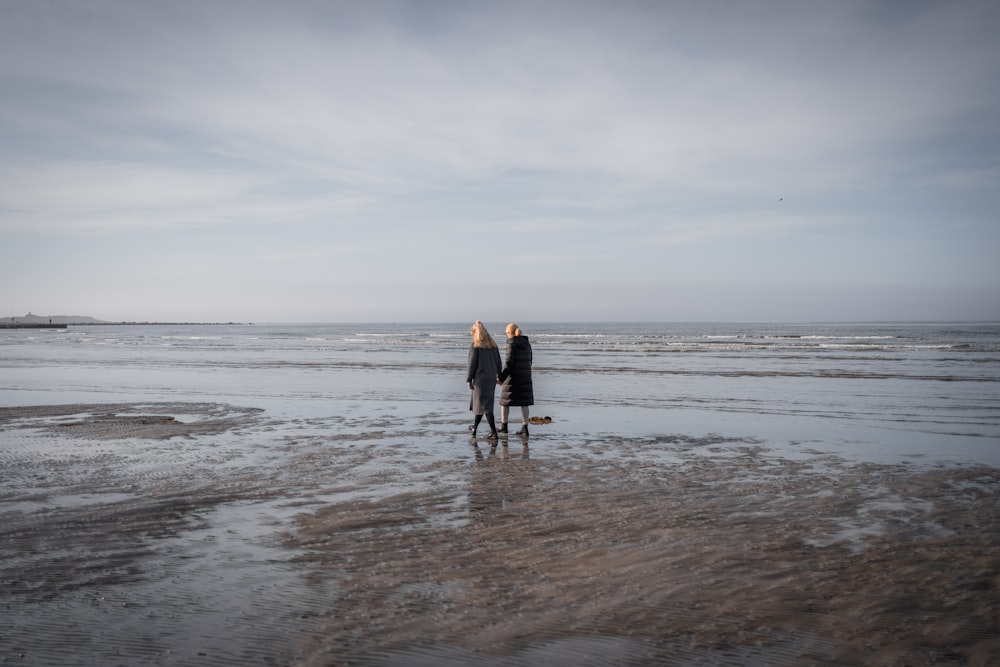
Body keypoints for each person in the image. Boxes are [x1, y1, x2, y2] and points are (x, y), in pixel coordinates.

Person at [466, 320, 502, 440]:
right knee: (484, 405)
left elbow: (471, 364)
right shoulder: (493, 345)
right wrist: (498, 375)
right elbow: (499, 363)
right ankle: (474, 428)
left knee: (483, 406)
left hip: (480, 379)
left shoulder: (475, 346)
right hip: (491, 379)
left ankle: (493, 432)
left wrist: (469, 379)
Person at [498, 322, 534, 436]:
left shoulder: (511, 343)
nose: (506, 335)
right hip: (525, 376)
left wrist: (501, 378)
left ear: (510, 333)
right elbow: (530, 360)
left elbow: (509, 363)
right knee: (524, 402)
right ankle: (525, 427)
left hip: (512, 377)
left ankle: (504, 426)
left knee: (504, 401)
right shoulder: (527, 343)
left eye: (507, 333)